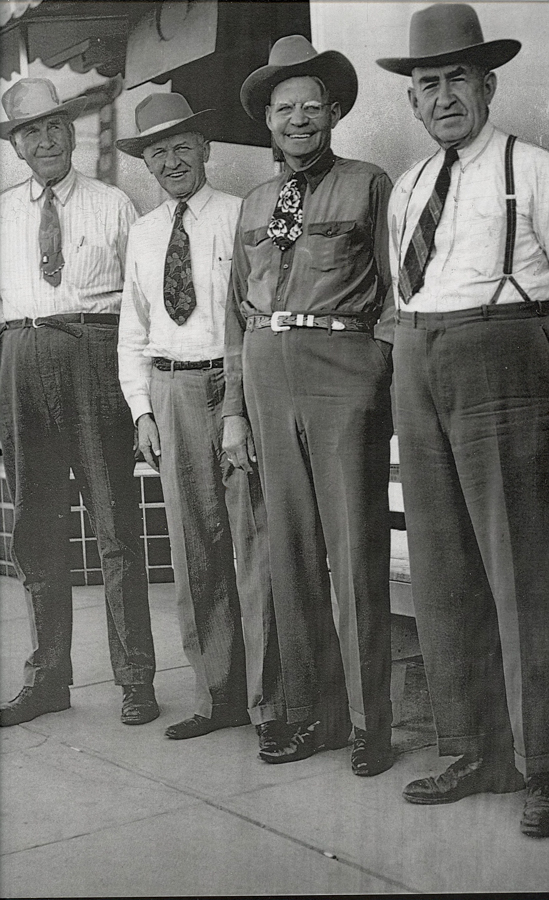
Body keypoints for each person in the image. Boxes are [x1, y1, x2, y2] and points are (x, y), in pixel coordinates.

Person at [377, 3, 549, 837]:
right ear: (411, 101)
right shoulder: (407, 186)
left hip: (502, 358)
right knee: (445, 569)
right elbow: (398, 292)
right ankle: (473, 746)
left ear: (486, 85)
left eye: (454, 80)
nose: (441, 96)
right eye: (425, 84)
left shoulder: (533, 169)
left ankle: (541, 763)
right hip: (417, 357)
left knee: (521, 569)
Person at [223, 36, 395, 775]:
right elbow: (234, 313)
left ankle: (369, 725)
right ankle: (309, 716)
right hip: (265, 375)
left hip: (340, 374)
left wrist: (371, 377)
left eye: (311, 106)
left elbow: (395, 293)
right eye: (283, 107)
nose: (298, 119)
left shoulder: (368, 183)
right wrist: (233, 410)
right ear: (268, 118)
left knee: (353, 552)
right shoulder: (256, 203)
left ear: (333, 113)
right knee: (286, 552)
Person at [116, 93, 285, 750]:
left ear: (204, 148)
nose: (170, 159)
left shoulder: (242, 214)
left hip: (235, 385)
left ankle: (270, 704)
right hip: (171, 390)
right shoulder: (143, 232)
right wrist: (141, 413)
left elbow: (253, 312)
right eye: (157, 150)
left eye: (181, 144)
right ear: (147, 162)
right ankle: (216, 696)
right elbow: (132, 330)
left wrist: (243, 403)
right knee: (194, 554)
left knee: (254, 544)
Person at [0, 78, 158, 728]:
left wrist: (137, 392)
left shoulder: (113, 203)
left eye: (53, 126)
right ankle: (48, 679)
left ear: (71, 131)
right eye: (29, 131)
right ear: (15, 145)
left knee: (115, 519)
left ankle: (135, 680)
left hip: (93, 354)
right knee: (37, 525)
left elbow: (141, 304)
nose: (44, 140)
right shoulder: (4, 211)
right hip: (19, 355)